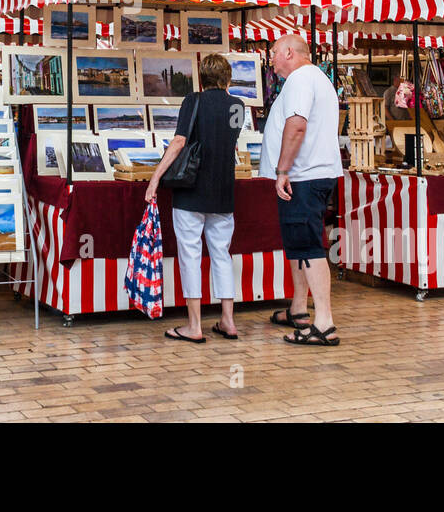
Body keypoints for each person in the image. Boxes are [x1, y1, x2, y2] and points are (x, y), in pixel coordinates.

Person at [145, 53, 245, 343]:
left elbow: (179, 142)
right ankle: (228, 320)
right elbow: (230, 140)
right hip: (224, 189)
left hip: (192, 190)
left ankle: (194, 325)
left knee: (191, 256)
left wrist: (155, 178)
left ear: (202, 78)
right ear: (227, 78)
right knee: (221, 255)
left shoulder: (193, 101)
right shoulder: (237, 105)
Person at [261, 33, 343, 347]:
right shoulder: (314, 78)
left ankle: (324, 322)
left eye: (273, 53)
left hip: (304, 177)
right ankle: (302, 309)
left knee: (308, 246)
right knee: (303, 245)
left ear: (290, 53)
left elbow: (296, 125)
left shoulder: (299, 80)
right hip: (312, 175)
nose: (270, 60)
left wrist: (282, 171)